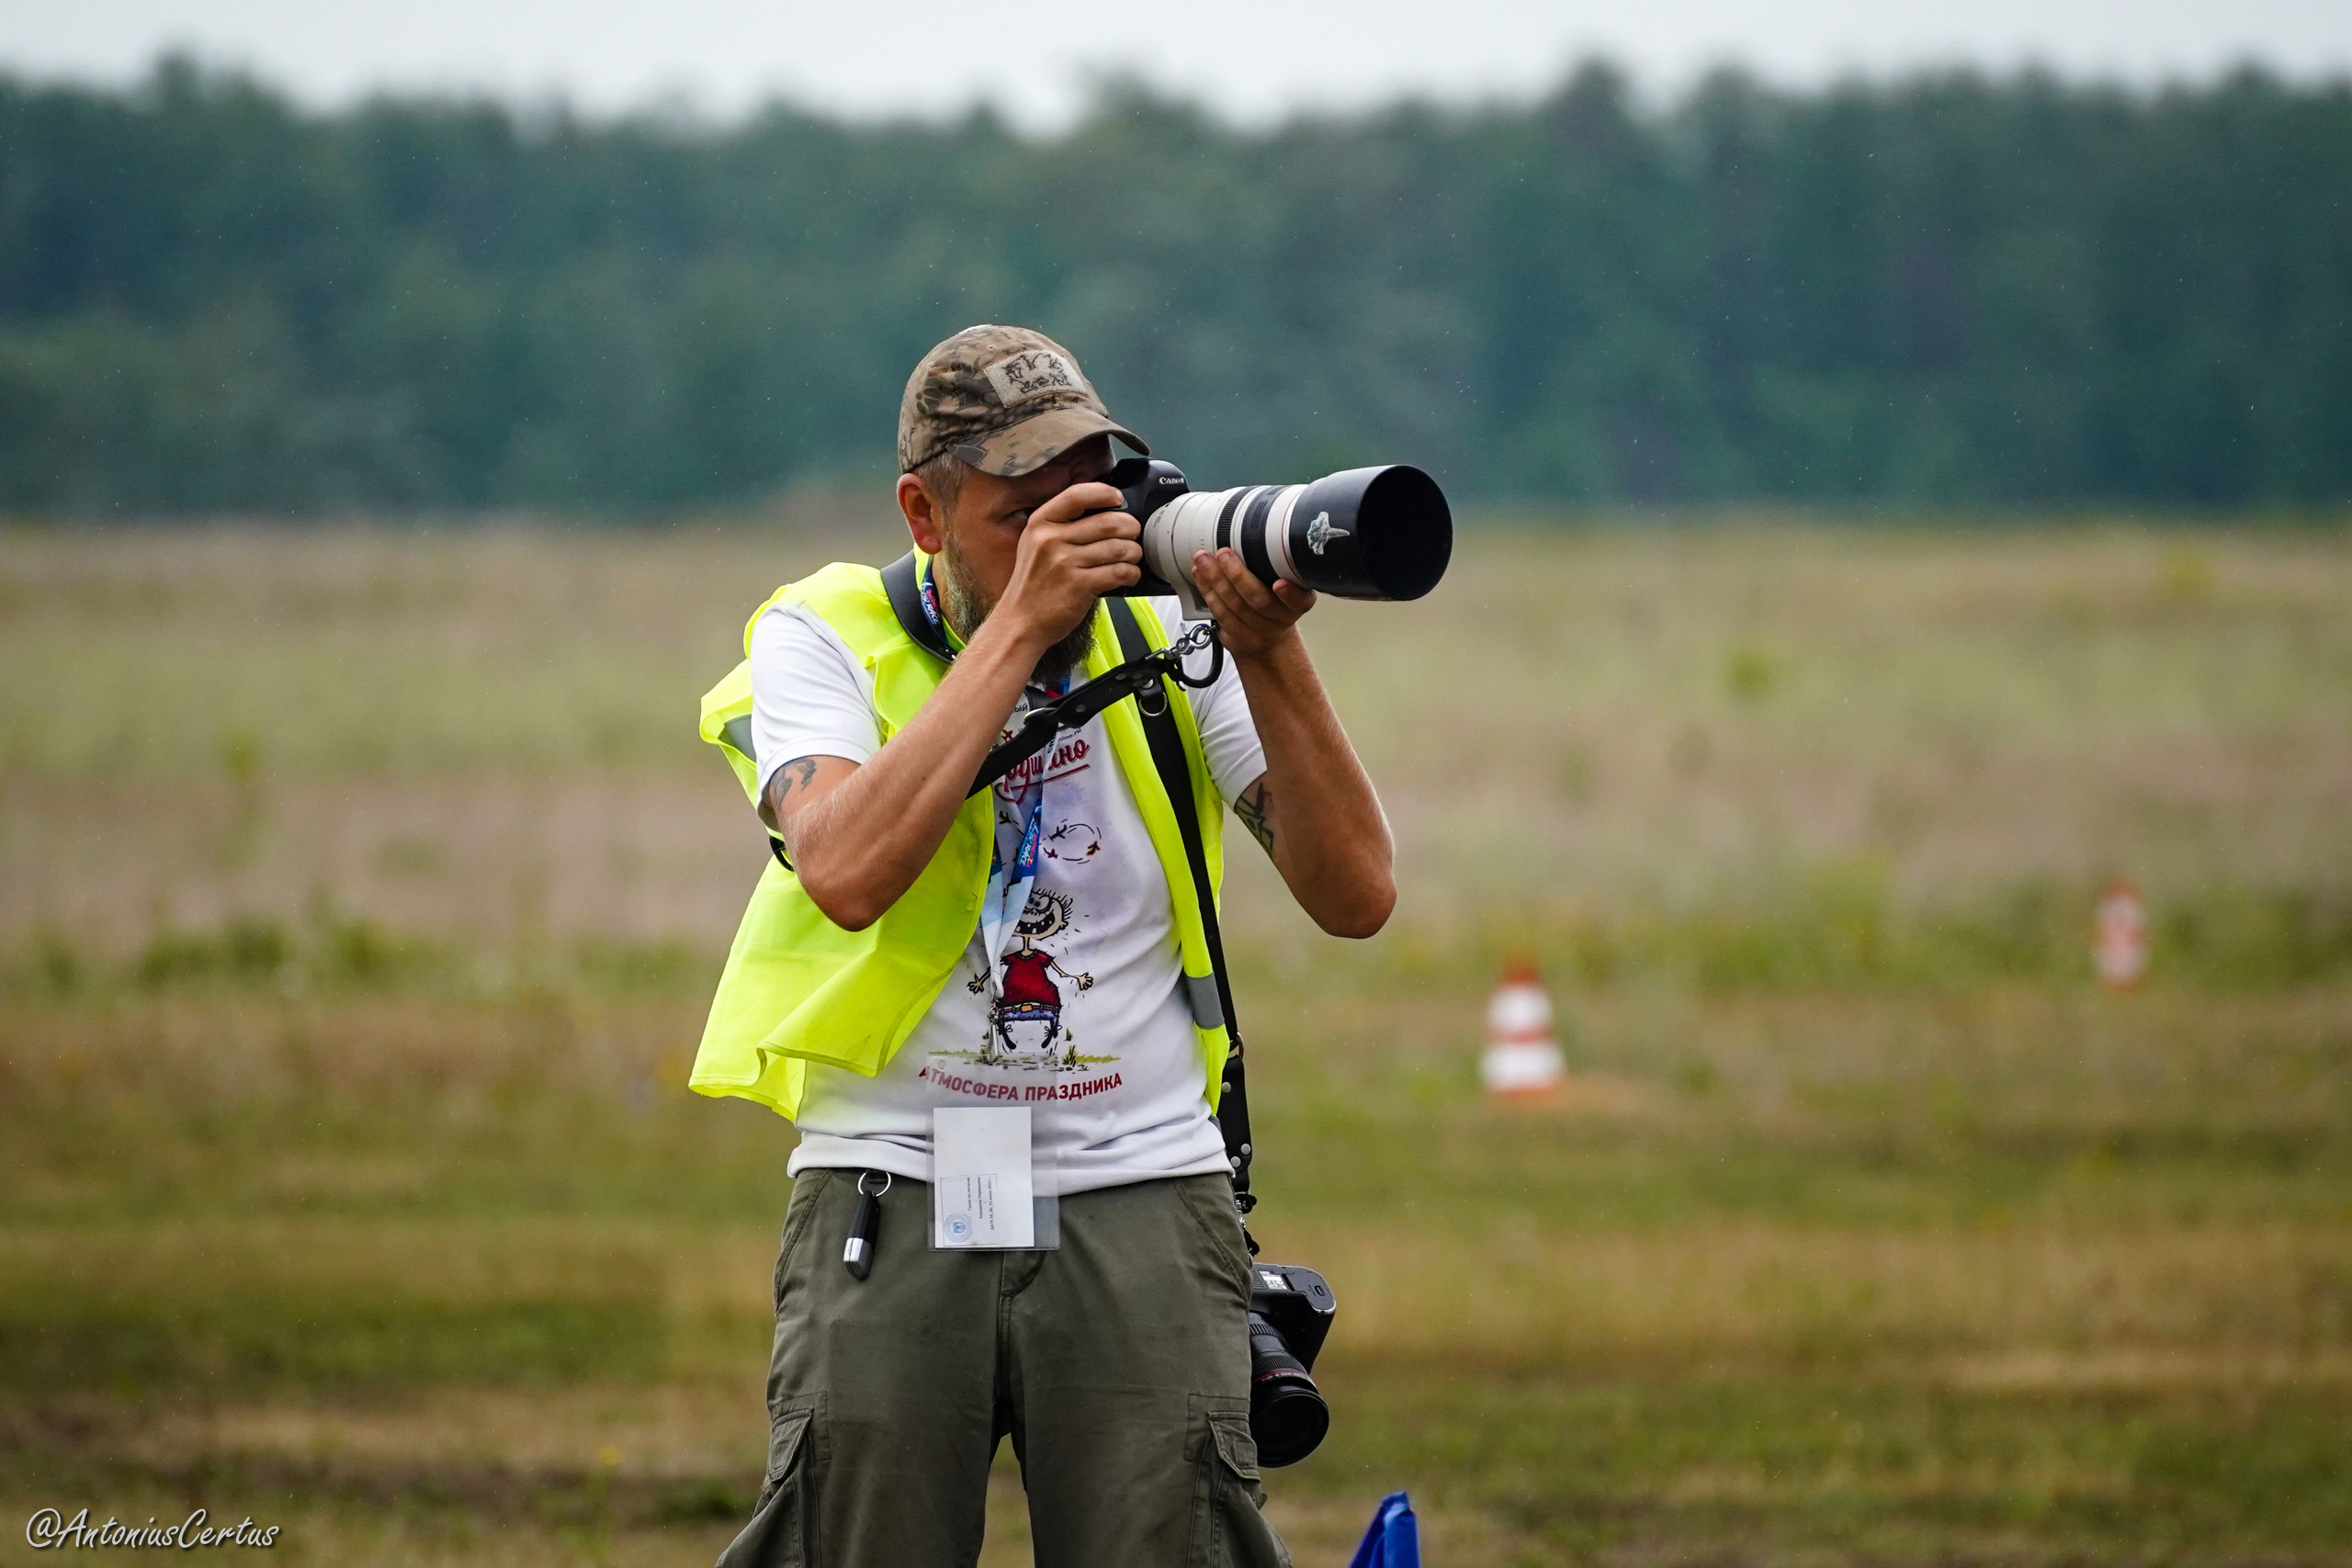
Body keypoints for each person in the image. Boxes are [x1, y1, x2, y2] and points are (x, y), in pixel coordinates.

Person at [691, 324, 1395, 1568]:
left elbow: (1356, 894)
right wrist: (1018, 627)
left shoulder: (1164, 632)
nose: (1068, 536)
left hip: (1143, 1183)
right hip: (895, 1180)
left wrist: (1271, 651)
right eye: (1020, 513)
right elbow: (845, 869)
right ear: (924, 512)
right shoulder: (822, 635)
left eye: (1086, 493)